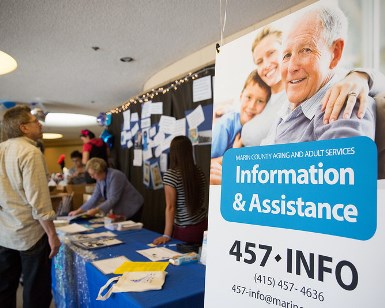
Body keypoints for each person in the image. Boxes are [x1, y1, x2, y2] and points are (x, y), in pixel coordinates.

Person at [261, 4, 375, 145]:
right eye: (287, 55)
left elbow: (349, 165)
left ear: (335, 53)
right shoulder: (291, 106)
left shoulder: (343, 105)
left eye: (306, 50)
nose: (291, 67)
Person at [0, 106, 61, 308]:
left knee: (5, 290)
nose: (40, 124)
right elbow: (39, 201)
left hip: (4, 234)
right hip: (31, 235)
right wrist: (52, 234)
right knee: (36, 292)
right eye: (35, 121)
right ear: (24, 128)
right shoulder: (30, 152)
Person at [153, 136, 208, 245]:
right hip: (203, 226)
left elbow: (170, 207)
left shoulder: (171, 175)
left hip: (185, 232)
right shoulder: (199, 172)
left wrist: (166, 235)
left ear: (173, 152)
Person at [211, 69, 271, 158]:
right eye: (249, 97)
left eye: (260, 101)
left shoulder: (263, 131)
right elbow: (211, 163)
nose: (251, 106)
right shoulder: (225, 125)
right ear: (241, 96)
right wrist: (235, 154)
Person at [68, 158, 144, 220]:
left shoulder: (116, 176)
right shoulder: (100, 179)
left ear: (99, 171)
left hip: (132, 207)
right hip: (121, 208)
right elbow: (94, 197)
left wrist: (96, 210)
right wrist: (78, 211)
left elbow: (113, 198)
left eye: (93, 174)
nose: (92, 177)